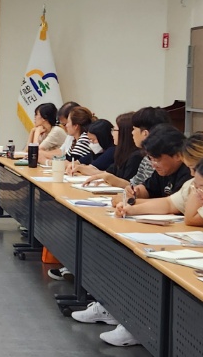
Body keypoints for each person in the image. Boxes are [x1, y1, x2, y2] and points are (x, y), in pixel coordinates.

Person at [76, 128, 192, 345]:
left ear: (178, 155)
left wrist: (132, 204)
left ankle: (134, 322)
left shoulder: (188, 175)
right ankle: (111, 307)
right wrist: (134, 193)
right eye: (151, 159)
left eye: (157, 159)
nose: (153, 164)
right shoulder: (163, 171)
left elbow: (172, 206)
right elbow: (147, 189)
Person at [116, 131, 203, 223]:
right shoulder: (190, 183)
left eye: (194, 168)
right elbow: (169, 204)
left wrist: (197, 188)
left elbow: (191, 218)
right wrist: (131, 210)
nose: (192, 174)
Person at [87, 106, 169, 188]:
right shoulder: (145, 158)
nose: (132, 133)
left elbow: (147, 190)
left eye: (134, 129)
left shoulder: (139, 156)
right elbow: (135, 186)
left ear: (145, 133)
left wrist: (109, 178)